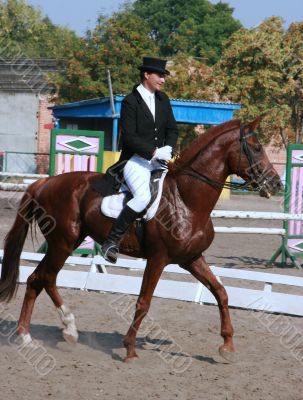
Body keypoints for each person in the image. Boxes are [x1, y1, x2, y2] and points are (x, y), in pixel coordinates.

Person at [101, 57, 179, 263]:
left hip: (159, 161)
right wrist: (154, 152)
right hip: (135, 161)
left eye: (163, 76)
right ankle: (111, 240)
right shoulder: (130, 101)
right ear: (147, 75)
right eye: (160, 76)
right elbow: (129, 137)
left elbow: (172, 129)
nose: (163, 80)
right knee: (143, 197)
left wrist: (168, 148)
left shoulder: (163, 100)